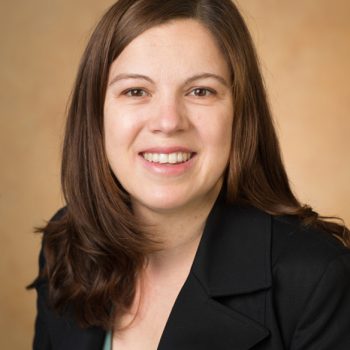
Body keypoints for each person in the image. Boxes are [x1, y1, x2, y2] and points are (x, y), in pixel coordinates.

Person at [29, 0, 350, 349]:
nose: (168, 122)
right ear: (96, 115)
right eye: (136, 91)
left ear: (240, 114)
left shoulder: (317, 279)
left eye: (201, 91)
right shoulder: (68, 247)